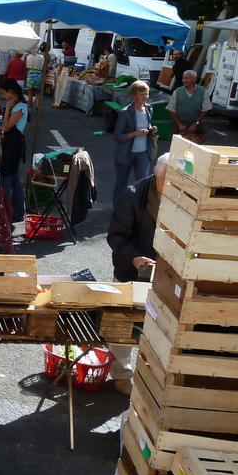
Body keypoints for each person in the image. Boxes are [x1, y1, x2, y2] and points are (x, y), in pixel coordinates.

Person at [106, 154, 169, 395]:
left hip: (165, 274)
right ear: (156, 174)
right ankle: (122, 373)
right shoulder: (132, 194)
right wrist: (134, 258)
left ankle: (150, 374)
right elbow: (116, 236)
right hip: (130, 268)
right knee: (122, 323)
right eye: (166, 180)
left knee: (157, 324)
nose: (171, 186)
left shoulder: (183, 196)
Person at [112, 81, 156, 203]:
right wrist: (134, 134)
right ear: (133, 96)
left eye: (146, 94)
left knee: (143, 183)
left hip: (143, 153)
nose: (145, 97)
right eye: (142, 94)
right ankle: (118, 208)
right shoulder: (125, 112)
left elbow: (147, 124)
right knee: (121, 183)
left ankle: (140, 210)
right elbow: (117, 136)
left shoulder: (149, 109)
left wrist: (151, 129)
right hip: (126, 153)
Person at [0, 79, 28, 221]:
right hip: (10, 143)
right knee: (14, 179)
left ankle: (6, 212)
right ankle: (18, 212)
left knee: (7, 178)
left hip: (14, 145)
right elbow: (4, 126)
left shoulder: (21, 107)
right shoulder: (16, 105)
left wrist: (7, 108)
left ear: (11, 92)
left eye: (4, 93)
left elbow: (7, 126)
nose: (3, 96)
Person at [167, 70, 211, 142]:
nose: (184, 80)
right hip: (178, 126)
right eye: (183, 78)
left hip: (197, 127)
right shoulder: (177, 92)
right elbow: (171, 110)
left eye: (186, 78)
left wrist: (195, 124)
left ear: (194, 79)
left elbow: (205, 110)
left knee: (195, 149)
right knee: (177, 148)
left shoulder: (203, 91)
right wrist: (179, 124)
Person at [25, 48, 45, 113]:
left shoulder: (28, 57)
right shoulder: (41, 57)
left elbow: (26, 67)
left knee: (30, 94)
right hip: (38, 75)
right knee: (38, 94)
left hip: (30, 75)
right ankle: (38, 107)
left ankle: (30, 108)